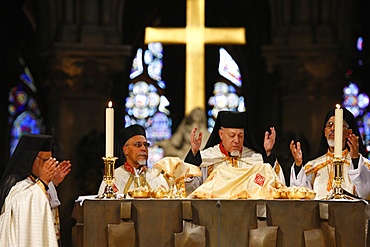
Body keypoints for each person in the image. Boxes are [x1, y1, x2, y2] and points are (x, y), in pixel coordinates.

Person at [184, 110, 286, 193]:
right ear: (221, 134)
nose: (236, 140)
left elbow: (269, 184)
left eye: (240, 136)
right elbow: (190, 189)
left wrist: (268, 154)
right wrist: (194, 153)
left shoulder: (254, 159)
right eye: (232, 136)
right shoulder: (207, 158)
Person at [0, 134, 72, 246]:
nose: (49, 165)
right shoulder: (14, 182)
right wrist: (43, 182)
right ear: (31, 159)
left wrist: (52, 182)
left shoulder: (35, 182)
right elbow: (18, 207)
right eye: (45, 160)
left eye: (51, 160)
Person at [290, 107, 370, 199]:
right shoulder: (313, 166)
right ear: (325, 132)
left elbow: (366, 193)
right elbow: (301, 194)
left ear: (349, 132)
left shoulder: (363, 165)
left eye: (338, 125)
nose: (333, 128)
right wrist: (298, 165)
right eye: (330, 125)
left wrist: (355, 159)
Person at [98, 124, 168, 197]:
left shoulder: (158, 178)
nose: (144, 148)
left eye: (146, 145)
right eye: (138, 145)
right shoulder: (113, 179)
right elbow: (103, 206)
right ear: (126, 150)